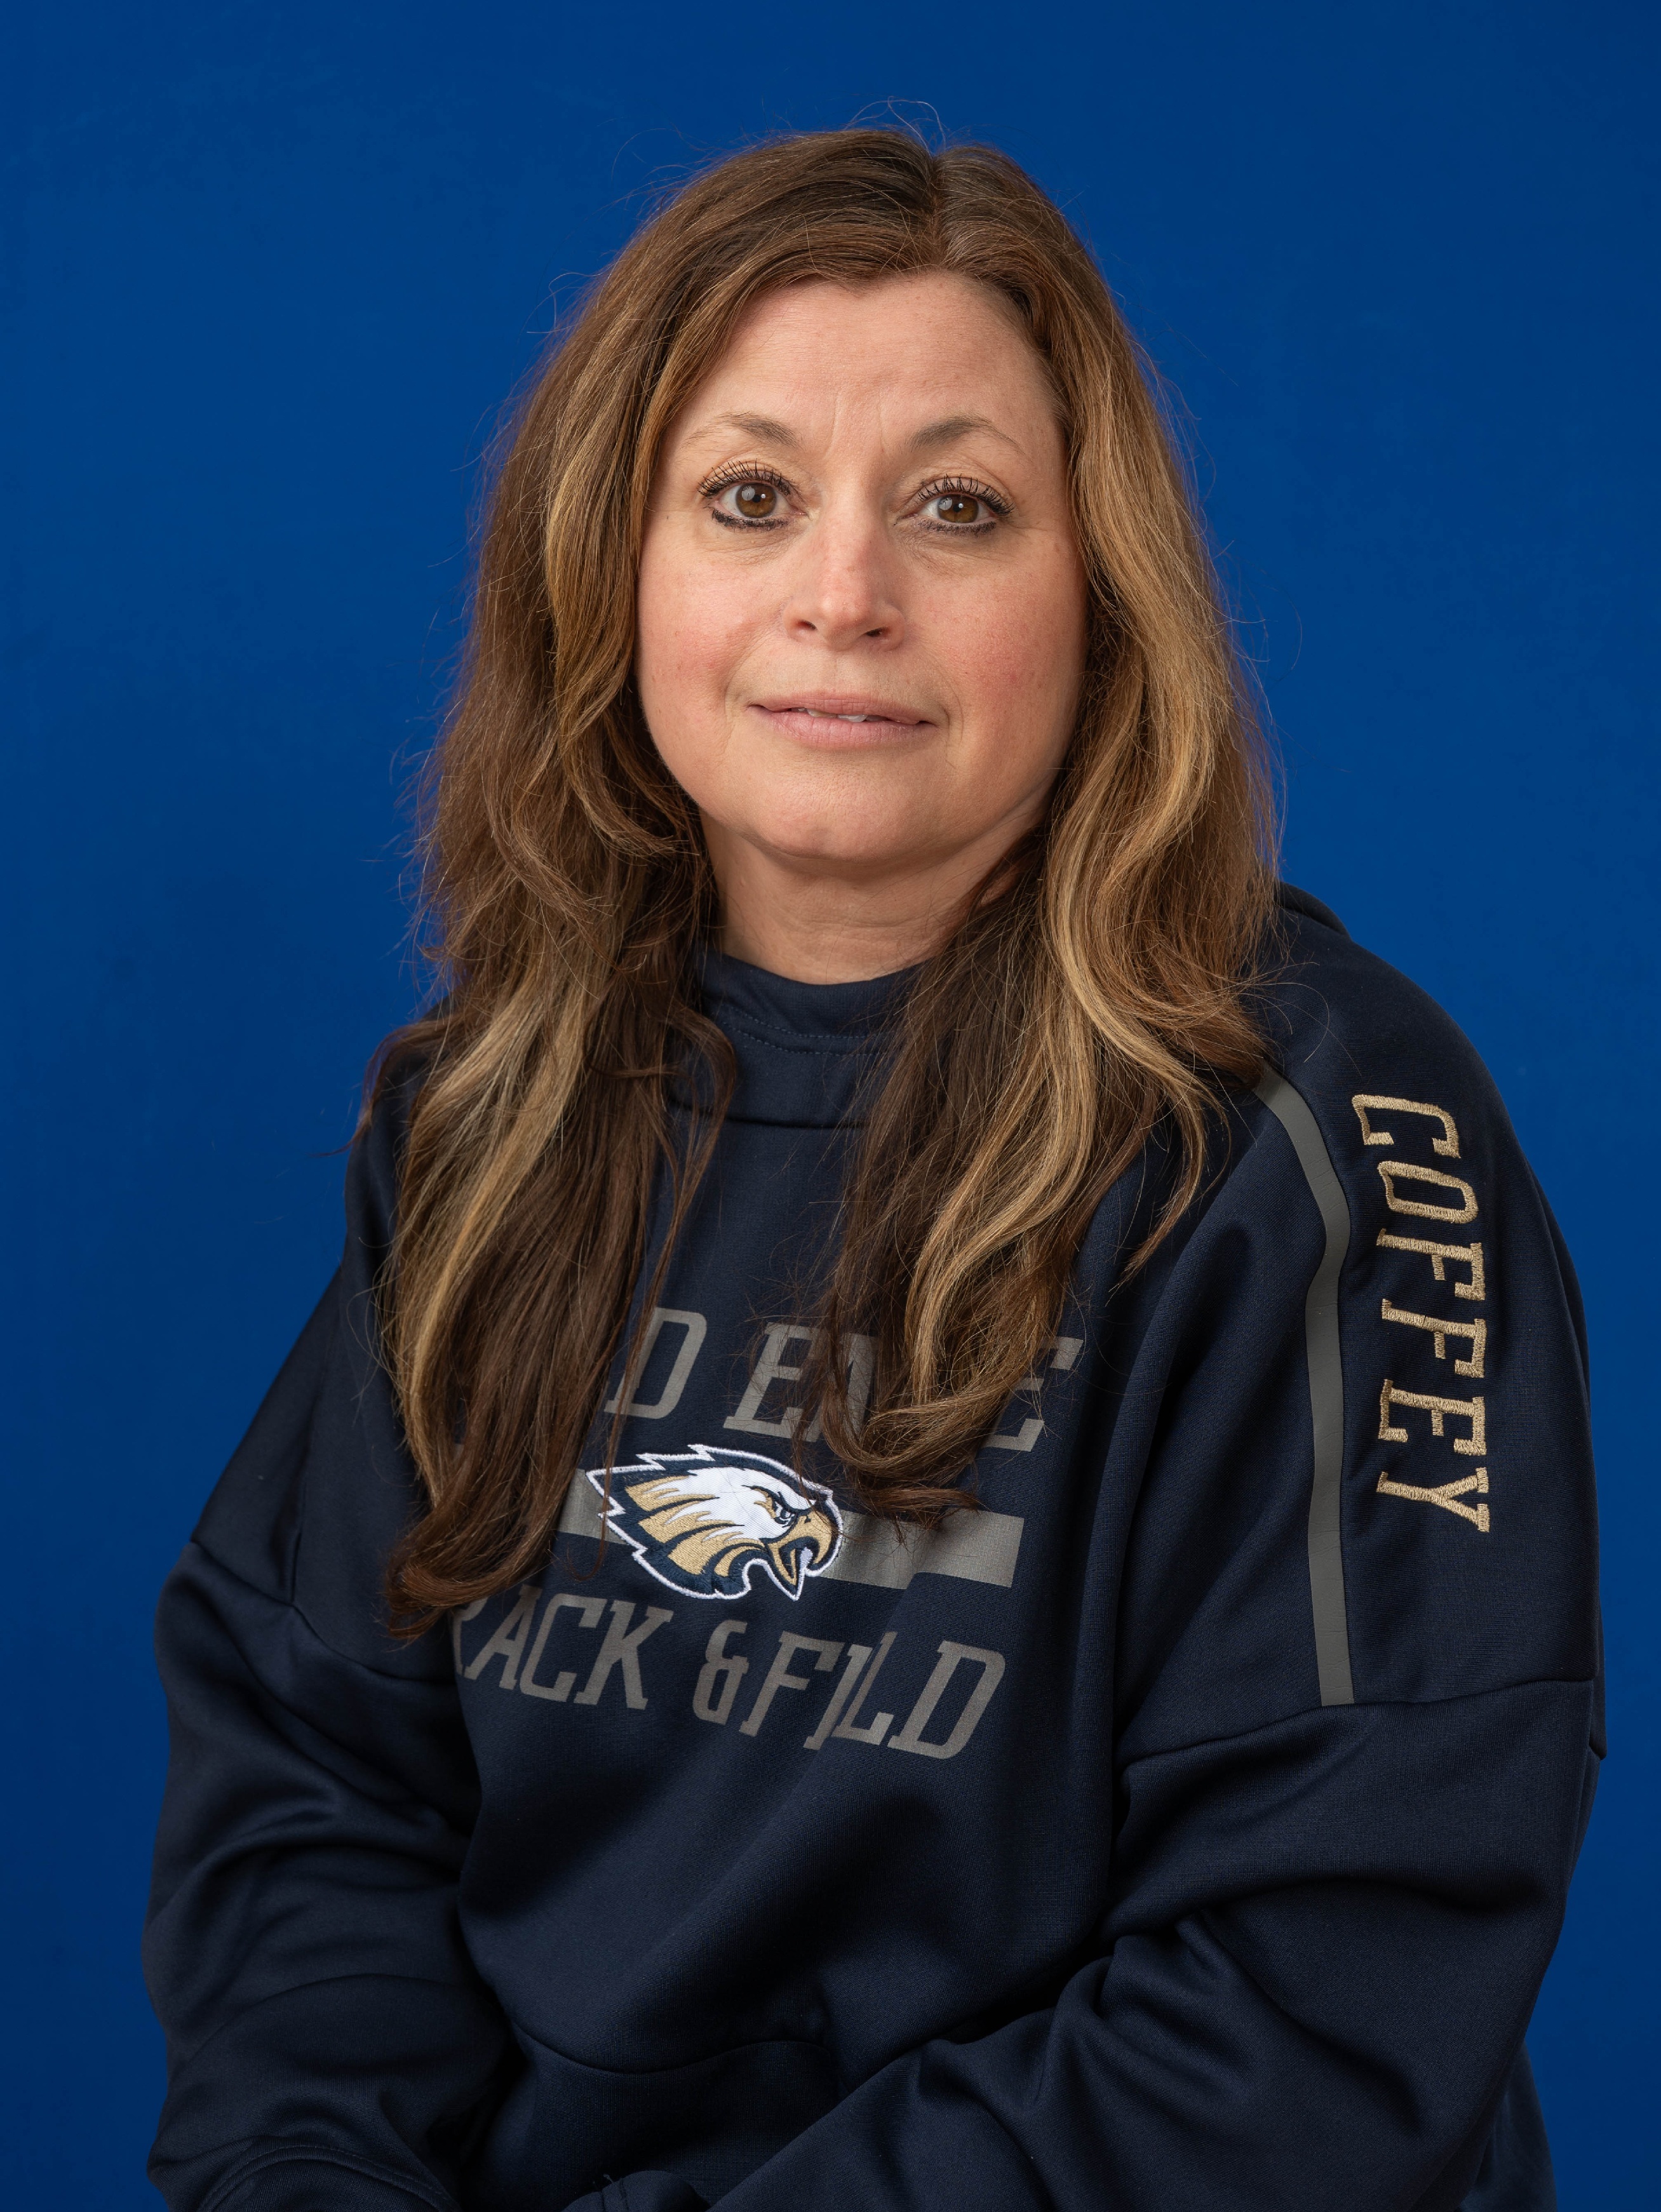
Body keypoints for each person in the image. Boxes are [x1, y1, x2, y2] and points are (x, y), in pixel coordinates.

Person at [145, 130, 1600, 2212]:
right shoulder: (490, 1120)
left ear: (1099, 599)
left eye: (958, 506)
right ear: (612, 572)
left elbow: (1326, 1992)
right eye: (750, 498)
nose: (844, 595)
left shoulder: (1321, 1137)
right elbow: (318, 1803)